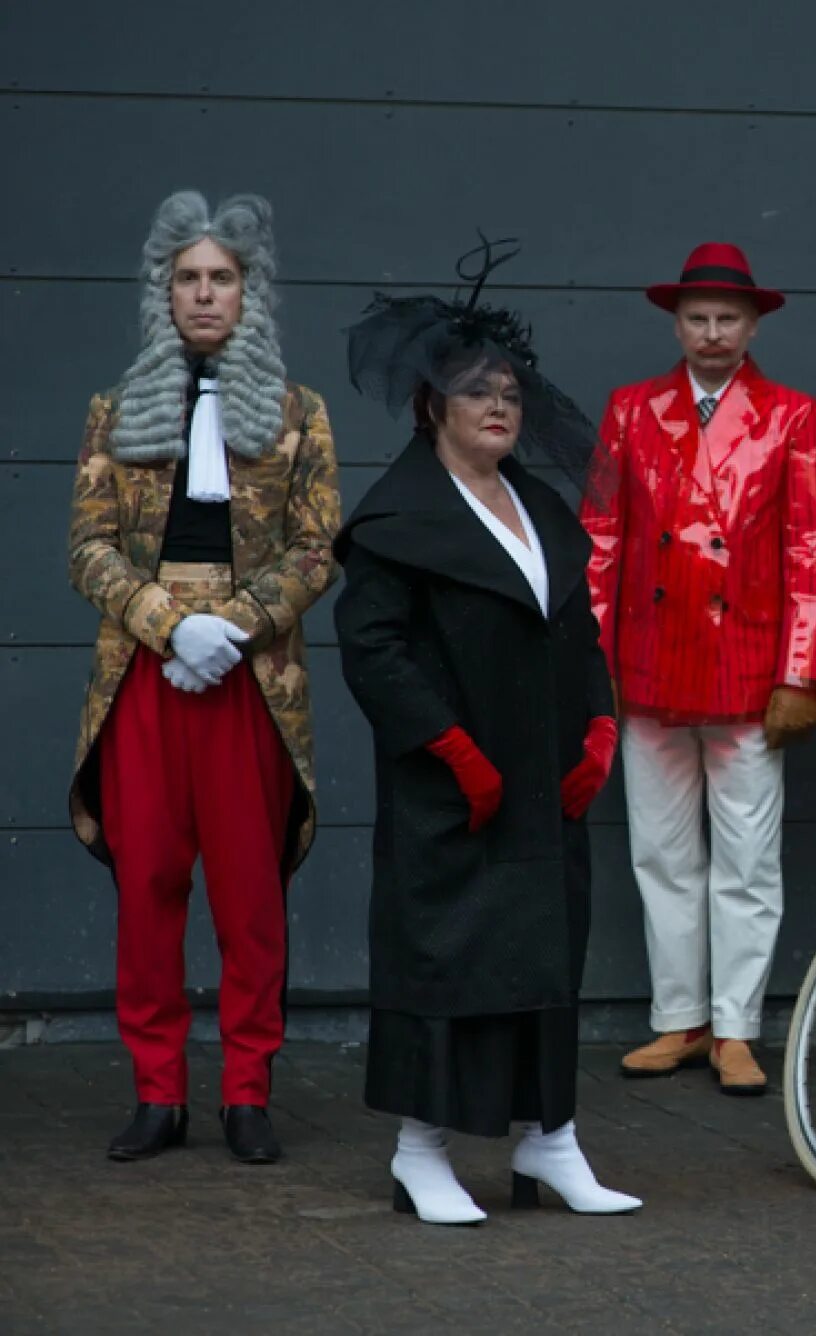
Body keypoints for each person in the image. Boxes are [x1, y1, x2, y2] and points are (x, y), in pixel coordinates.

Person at [335, 239, 640, 1225]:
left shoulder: (543, 507)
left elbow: (580, 629)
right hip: (452, 788)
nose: (499, 404)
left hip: (544, 786)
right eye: (476, 391)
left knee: (544, 957)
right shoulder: (398, 516)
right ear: (433, 406)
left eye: (509, 389)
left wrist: (599, 728)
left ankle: (548, 1142)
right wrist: (450, 749)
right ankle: (418, 1151)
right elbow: (374, 650)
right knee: (448, 962)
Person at [67, 191, 341, 1166]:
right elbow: (88, 548)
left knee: (248, 892)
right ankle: (157, 1091)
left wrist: (234, 621)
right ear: (163, 291)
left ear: (249, 290)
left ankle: (247, 1089)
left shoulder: (299, 413)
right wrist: (168, 626)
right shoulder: (114, 410)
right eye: (187, 277)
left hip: (249, 676)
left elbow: (317, 550)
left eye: (221, 277)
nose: (204, 293)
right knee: (148, 885)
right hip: (147, 674)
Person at [583, 243, 816, 1096]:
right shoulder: (629, 410)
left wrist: (799, 673)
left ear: (754, 323)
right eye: (698, 318)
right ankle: (679, 1020)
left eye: (728, 318)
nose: (713, 333)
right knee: (659, 853)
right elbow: (601, 539)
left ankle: (735, 1028)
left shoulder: (793, 414)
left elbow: (810, 548)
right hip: (649, 662)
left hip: (747, 665)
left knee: (747, 861)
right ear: (675, 322)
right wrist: (595, 656)